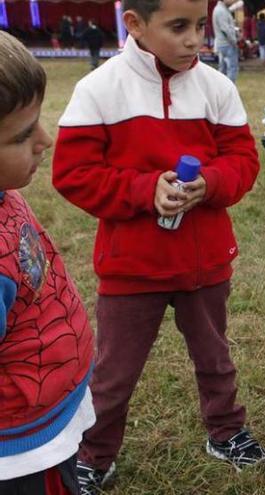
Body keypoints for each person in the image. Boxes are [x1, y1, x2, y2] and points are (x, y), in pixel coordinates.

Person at [52, 0, 265, 492]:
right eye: (179, 27)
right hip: (132, 269)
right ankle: (95, 454)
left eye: (198, 25)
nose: (195, 39)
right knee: (113, 373)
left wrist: (209, 183)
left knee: (215, 356)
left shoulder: (217, 88)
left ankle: (227, 430)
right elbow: (73, 174)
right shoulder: (98, 90)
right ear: (135, 25)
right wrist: (142, 190)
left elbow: (243, 161)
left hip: (204, 264)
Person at [0, 31, 96, 495]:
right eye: (23, 135)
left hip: (51, 419)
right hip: (19, 455)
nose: (46, 139)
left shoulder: (6, 193)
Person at [212, 0, 240, 82]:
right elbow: (225, 29)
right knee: (232, 68)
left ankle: (221, 91)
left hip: (223, 43)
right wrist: (234, 41)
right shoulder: (221, 11)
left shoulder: (221, 9)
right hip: (227, 44)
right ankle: (229, 91)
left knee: (223, 69)